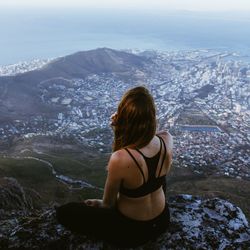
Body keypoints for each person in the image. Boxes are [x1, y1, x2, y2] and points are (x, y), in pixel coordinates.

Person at [55, 86, 173, 248]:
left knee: (65, 212)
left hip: (133, 230)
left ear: (124, 117)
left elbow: (108, 205)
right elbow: (149, 137)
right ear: (152, 115)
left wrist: (119, 128)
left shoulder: (120, 158)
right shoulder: (167, 140)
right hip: (162, 220)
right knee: (157, 175)